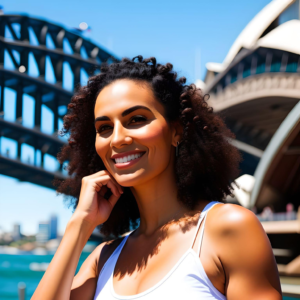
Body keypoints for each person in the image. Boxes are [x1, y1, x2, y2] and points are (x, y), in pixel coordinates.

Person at [32, 56, 282, 300]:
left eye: (137, 119)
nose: (117, 138)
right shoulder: (104, 258)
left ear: (177, 131)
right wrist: (80, 225)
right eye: (104, 128)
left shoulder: (228, 228)